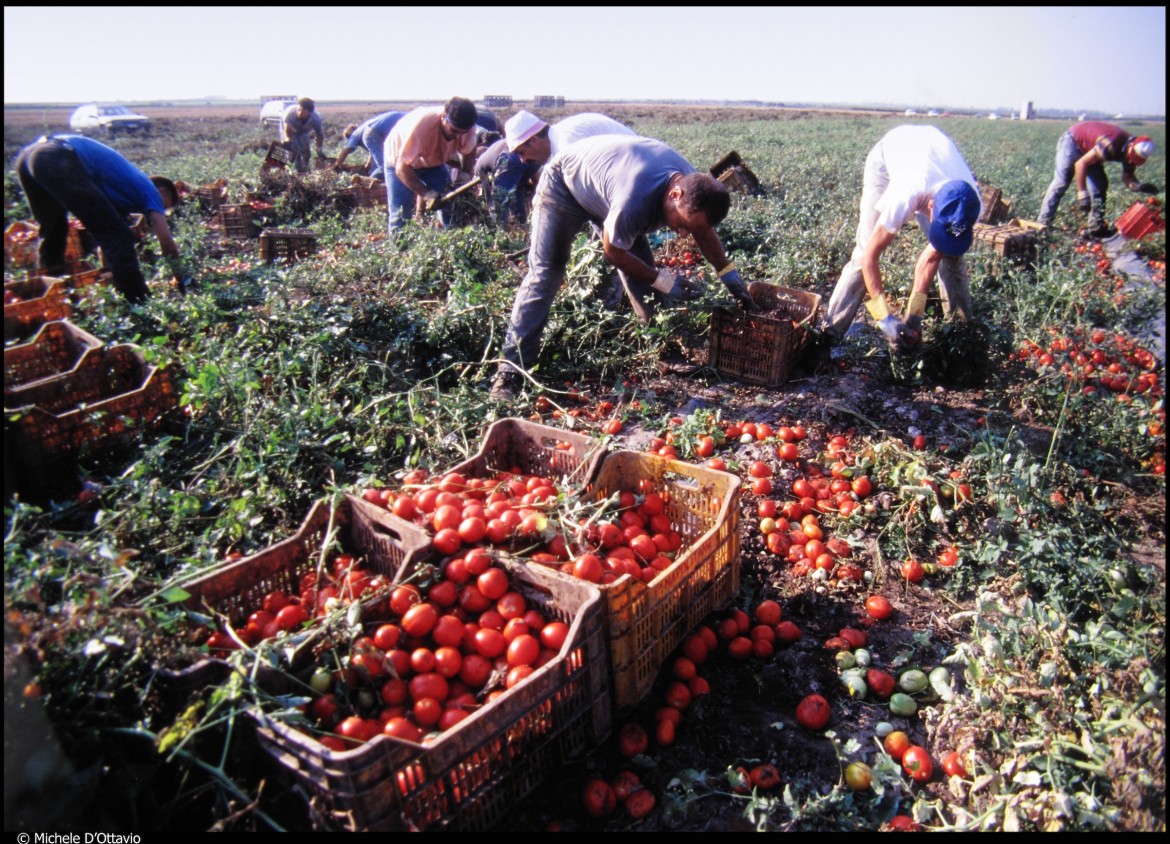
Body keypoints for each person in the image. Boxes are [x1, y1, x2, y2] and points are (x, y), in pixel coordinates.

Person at [489, 134, 755, 400]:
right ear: (675, 194)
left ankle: (661, 346)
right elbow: (613, 253)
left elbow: (703, 232)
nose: (684, 234)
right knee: (546, 272)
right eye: (682, 223)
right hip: (564, 186)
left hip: (608, 188)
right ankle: (510, 371)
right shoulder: (634, 201)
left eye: (690, 228)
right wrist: (664, 281)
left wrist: (730, 276)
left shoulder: (693, 187)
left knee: (640, 268)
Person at [823, 125, 982, 353]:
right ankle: (829, 333)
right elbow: (871, 257)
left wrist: (915, 314)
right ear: (930, 206)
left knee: (952, 256)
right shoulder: (904, 196)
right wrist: (884, 318)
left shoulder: (970, 204)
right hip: (889, 159)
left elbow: (932, 256)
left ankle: (959, 339)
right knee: (863, 253)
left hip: (931, 156)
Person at [14, 133, 184, 304]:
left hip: (30, 157)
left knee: (54, 232)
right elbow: (166, 242)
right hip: (57, 156)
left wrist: (110, 275)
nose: (161, 211)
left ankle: (52, 300)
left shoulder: (121, 192)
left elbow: (104, 240)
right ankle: (140, 304)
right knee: (119, 236)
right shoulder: (151, 191)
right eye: (166, 206)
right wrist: (181, 280)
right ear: (162, 191)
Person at [1036, 122, 1157, 235]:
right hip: (1073, 141)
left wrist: (1138, 186)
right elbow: (1080, 164)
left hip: (1092, 150)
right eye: (1132, 157)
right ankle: (1043, 223)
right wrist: (1082, 194)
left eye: (1135, 160)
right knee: (1062, 181)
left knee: (1100, 185)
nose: (1131, 161)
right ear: (1131, 146)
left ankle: (1095, 227)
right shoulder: (1111, 144)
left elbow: (1127, 177)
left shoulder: (1132, 153)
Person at [383, 97, 479, 233]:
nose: (458, 137)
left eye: (462, 132)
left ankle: (454, 243)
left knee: (450, 204)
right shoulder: (421, 128)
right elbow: (402, 168)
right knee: (401, 214)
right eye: (454, 130)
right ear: (444, 117)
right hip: (398, 163)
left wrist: (466, 173)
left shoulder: (467, 128)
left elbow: (470, 149)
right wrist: (426, 194)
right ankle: (400, 250)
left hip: (433, 163)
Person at [504, 109, 636, 167]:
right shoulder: (560, 135)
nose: (522, 160)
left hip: (636, 166)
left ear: (533, 140)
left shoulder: (566, 145)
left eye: (521, 152)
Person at [474, 137, 540, 225]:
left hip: (516, 173)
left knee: (520, 219)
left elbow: (536, 179)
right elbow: (499, 200)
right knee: (500, 212)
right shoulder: (513, 160)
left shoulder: (536, 156)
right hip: (488, 178)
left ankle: (519, 228)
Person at [335, 110, 405, 181]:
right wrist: (337, 164)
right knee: (383, 166)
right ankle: (368, 182)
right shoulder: (357, 132)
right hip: (374, 133)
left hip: (372, 133)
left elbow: (346, 150)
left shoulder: (355, 133)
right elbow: (347, 150)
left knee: (383, 167)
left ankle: (366, 181)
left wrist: (337, 165)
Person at [282, 97, 325, 174]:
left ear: (309, 112)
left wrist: (319, 150)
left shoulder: (315, 118)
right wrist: (291, 144)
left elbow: (319, 134)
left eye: (303, 112)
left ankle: (305, 170)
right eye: (299, 110)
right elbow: (288, 132)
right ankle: (288, 170)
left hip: (304, 131)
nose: (300, 113)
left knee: (306, 152)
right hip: (291, 130)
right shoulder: (290, 114)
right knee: (294, 151)